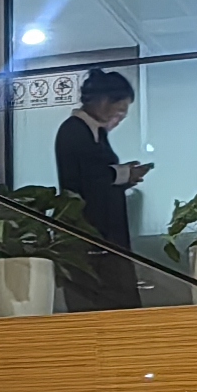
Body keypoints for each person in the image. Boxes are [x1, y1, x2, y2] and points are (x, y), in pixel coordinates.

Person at [55, 66, 148, 307]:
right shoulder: (75, 131)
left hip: (102, 237)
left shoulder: (91, 132)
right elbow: (89, 177)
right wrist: (124, 174)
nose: (120, 118)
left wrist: (123, 176)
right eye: (120, 111)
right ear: (104, 101)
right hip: (91, 238)